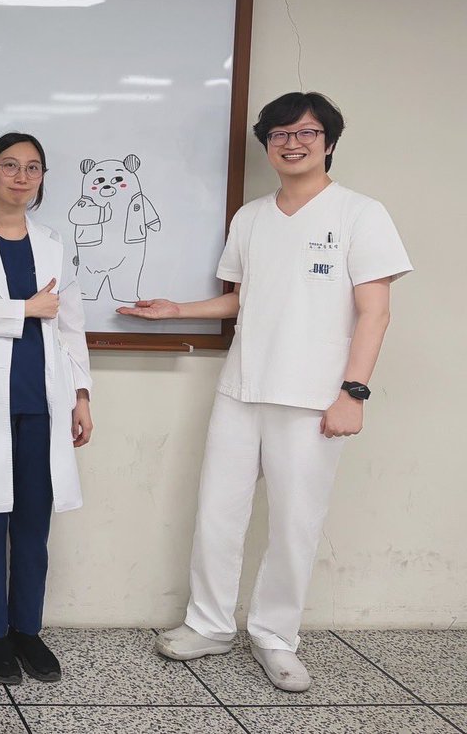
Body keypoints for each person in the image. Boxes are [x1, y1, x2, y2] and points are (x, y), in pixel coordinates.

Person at [120, 92, 411, 692]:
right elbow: (241, 299)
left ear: (329, 141)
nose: (292, 143)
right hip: (242, 386)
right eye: (279, 134)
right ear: (268, 145)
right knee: (218, 513)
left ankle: (276, 637)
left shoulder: (361, 213)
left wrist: (353, 393)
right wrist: (178, 310)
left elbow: (375, 312)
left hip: (314, 397)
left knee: (295, 523)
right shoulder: (251, 217)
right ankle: (209, 624)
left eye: (306, 133)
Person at [0, 132, 94, 684]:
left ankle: (27, 629)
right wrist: (23, 310)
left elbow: (71, 324)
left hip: (44, 402)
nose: (22, 177)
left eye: (33, 168)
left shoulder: (53, 241)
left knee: (33, 525)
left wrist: (81, 395)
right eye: (10, 165)